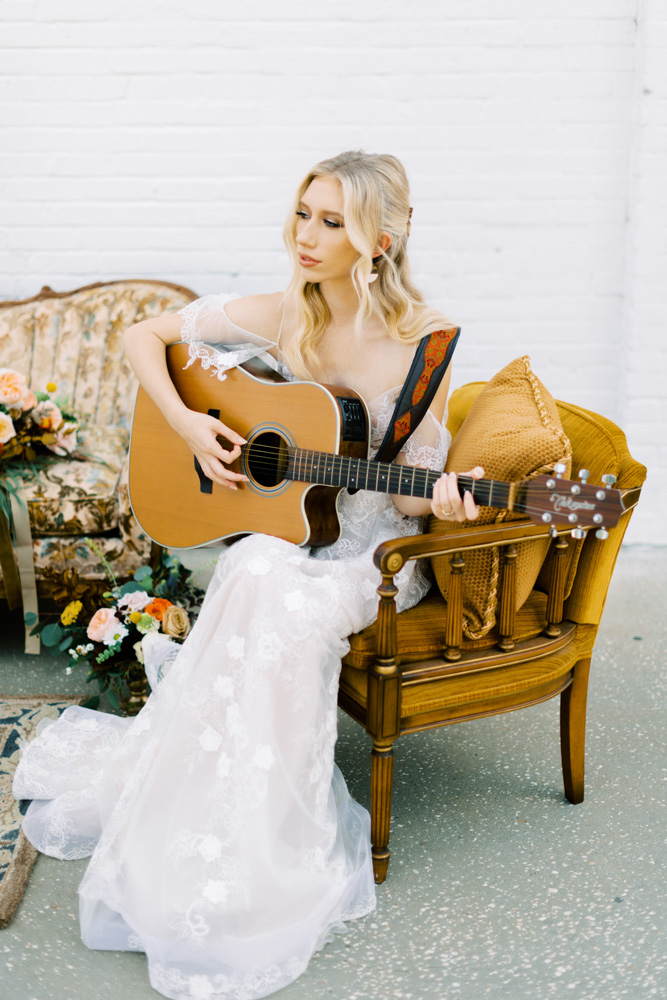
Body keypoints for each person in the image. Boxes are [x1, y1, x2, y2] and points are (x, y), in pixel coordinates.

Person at [13, 150, 483, 1000]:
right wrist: (190, 423)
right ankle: (205, 818)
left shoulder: (428, 344)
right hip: (293, 540)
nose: (305, 236)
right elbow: (140, 335)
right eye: (303, 212)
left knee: (263, 581)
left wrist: (448, 505)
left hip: (369, 557)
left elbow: (410, 494)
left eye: (330, 221)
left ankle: (261, 843)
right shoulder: (283, 316)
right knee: (257, 563)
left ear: (380, 238)